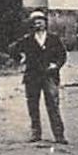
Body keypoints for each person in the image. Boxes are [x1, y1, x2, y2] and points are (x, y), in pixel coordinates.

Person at [9, 9, 69, 144]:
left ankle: (59, 135)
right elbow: (12, 49)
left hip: (49, 76)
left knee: (53, 105)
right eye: (35, 22)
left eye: (41, 21)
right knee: (33, 105)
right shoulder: (27, 39)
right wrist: (21, 59)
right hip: (32, 75)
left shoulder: (54, 39)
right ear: (32, 24)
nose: (38, 24)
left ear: (45, 23)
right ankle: (36, 133)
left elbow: (62, 55)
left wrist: (56, 65)